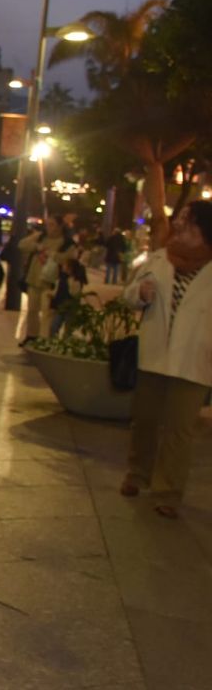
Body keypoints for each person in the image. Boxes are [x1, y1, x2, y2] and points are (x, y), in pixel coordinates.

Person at [119, 201, 212, 521]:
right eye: (181, 218)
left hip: (195, 360)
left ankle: (168, 491)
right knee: (144, 418)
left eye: (189, 219)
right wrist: (139, 293)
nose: (180, 223)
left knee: (179, 429)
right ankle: (137, 474)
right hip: (155, 354)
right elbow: (127, 293)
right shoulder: (159, 259)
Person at [17, 220, 74, 344]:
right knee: (32, 310)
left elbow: (69, 258)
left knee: (47, 313)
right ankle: (31, 336)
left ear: (60, 226)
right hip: (34, 279)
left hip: (51, 283)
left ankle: (45, 339)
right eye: (47, 225)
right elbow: (22, 245)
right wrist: (35, 239)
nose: (49, 227)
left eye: (52, 224)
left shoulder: (66, 243)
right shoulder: (40, 238)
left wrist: (53, 255)